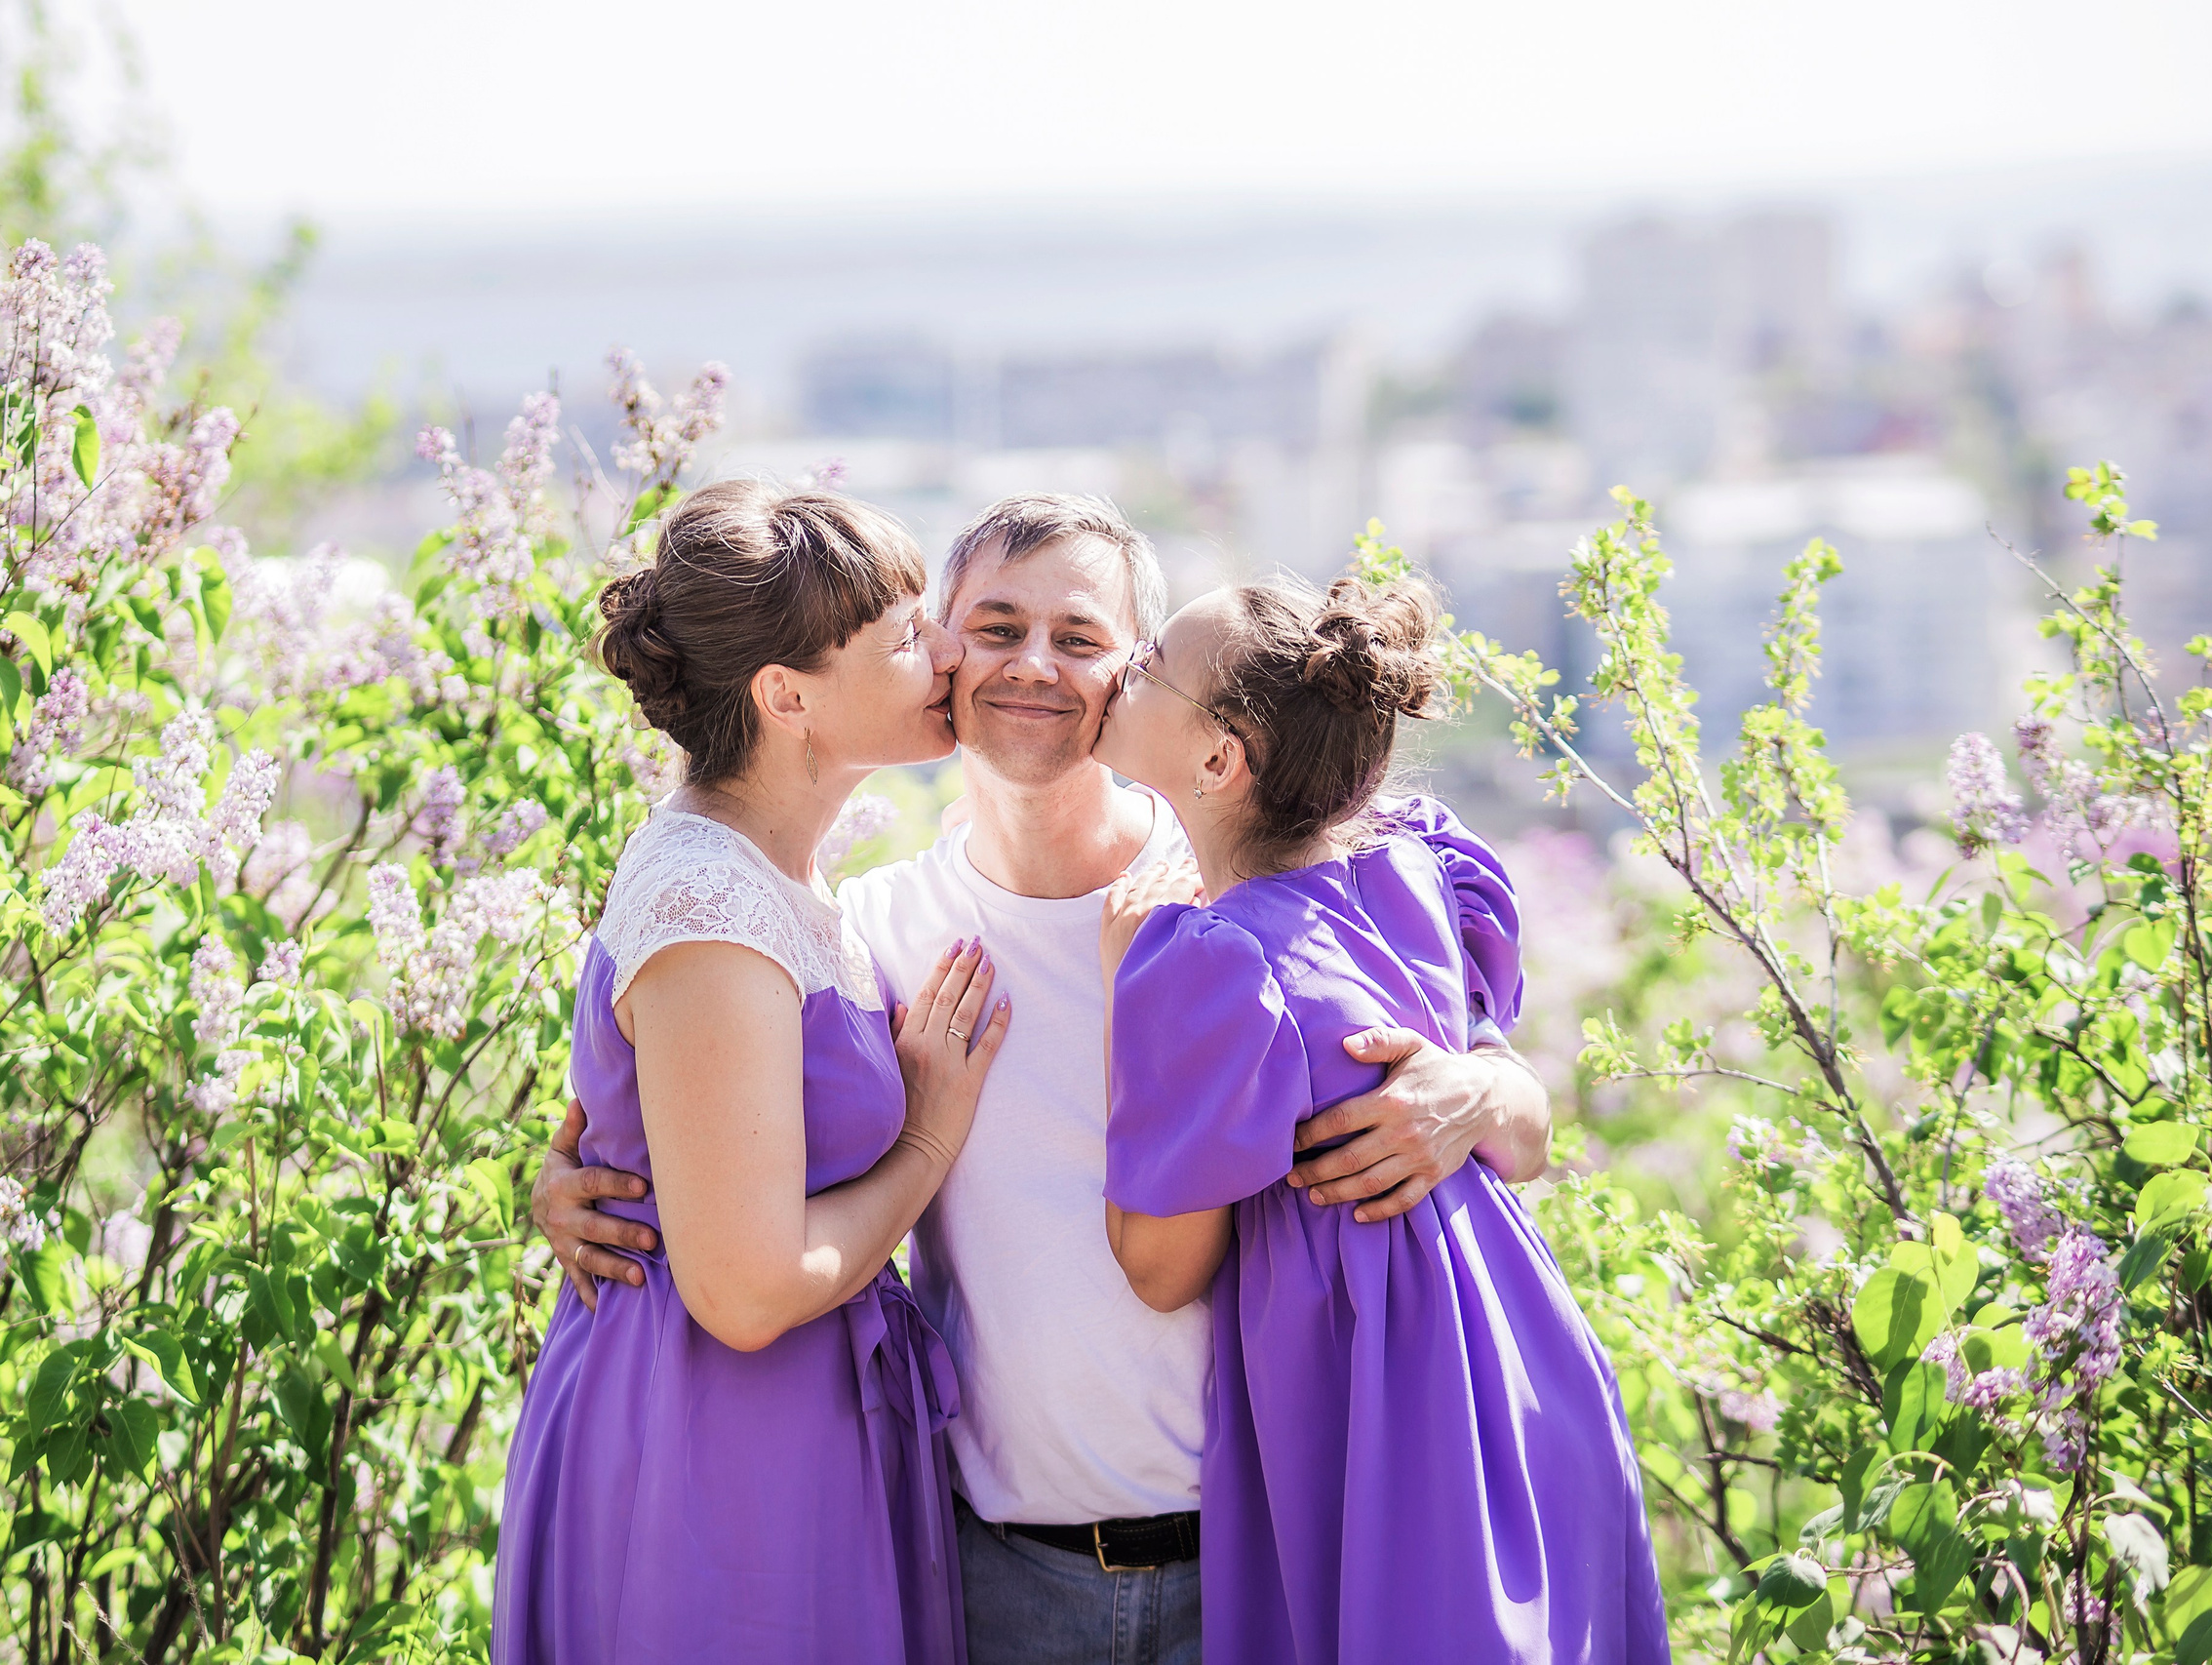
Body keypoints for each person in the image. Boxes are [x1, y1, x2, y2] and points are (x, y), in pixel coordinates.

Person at [533, 496, 1556, 1665]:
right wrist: (582, 1188)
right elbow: (713, 1125)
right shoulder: (865, 936)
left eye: (1080, 638)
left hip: (1260, 1554)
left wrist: (1479, 1093)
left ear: (1139, 677)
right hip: (988, 1574)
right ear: (941, 646)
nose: (1032, 666)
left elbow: (1513, 1115)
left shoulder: (1237, 900)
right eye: (994, 625)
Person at [1091, 570, 1672, 1665]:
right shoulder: (1415, 867)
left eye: (1150, 663)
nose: (1125, 667)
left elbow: (1158, 1266)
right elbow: (1522, 1125)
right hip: (1520, 1373)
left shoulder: (1206, 962)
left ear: (1220, 761)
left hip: (1384, 1418)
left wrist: (1131, 999)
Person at [494, 481, 1007, 1665]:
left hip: (778, 1434)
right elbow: (744, 1291)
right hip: (710, 1459)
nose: (945, 651)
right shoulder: (711, 909)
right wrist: (928, 1140)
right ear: (785, 697)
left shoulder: (776, 876)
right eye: (901, 636)